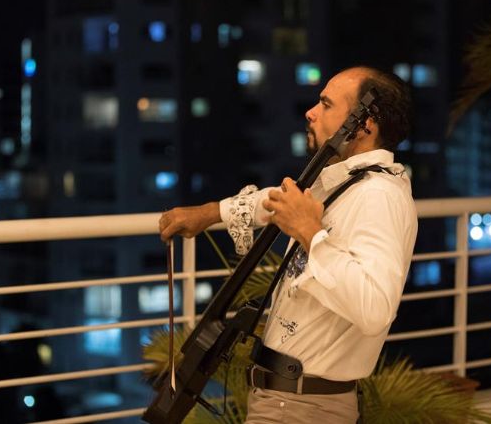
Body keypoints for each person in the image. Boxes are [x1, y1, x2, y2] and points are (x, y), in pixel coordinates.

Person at [158, 66, 418, 423]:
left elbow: (374, 308)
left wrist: (310, 233)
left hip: (303, 408)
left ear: (364, 124)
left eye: (326, 104)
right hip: (288, 401)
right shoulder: (349, 183)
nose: (311, 112)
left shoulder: (378, 196)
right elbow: (280, 200)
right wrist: (209, 213)